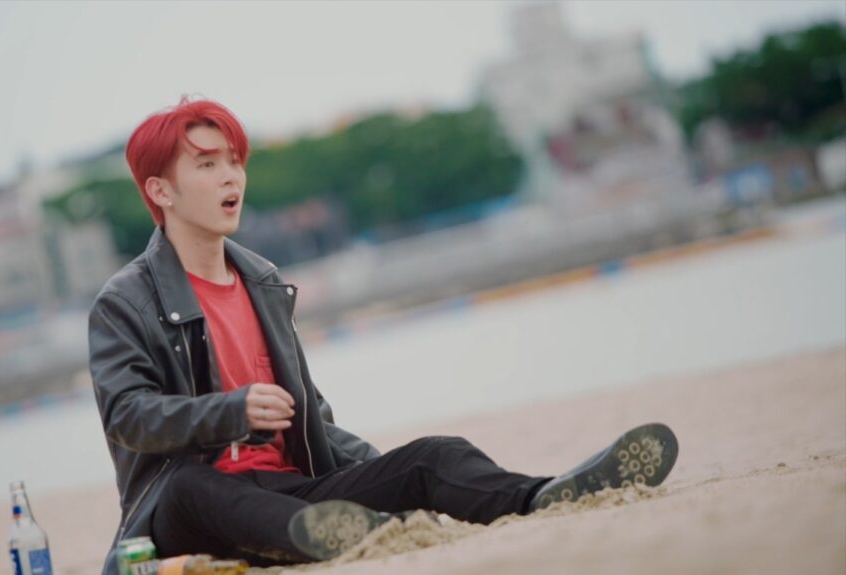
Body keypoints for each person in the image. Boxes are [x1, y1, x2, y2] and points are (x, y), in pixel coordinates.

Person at [87, 97, 679, 574]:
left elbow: (313, 421)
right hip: (186, 514)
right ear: (161, 191)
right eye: (207, 165)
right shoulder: (126, 301)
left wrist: (387, 477)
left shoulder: (260, 281)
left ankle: (541, 495)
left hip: (290, 495)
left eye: (234, 161)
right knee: (193, 487)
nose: (231, 176)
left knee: (434, 456)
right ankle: (330, 536)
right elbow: (128, 416)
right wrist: (231, 412)